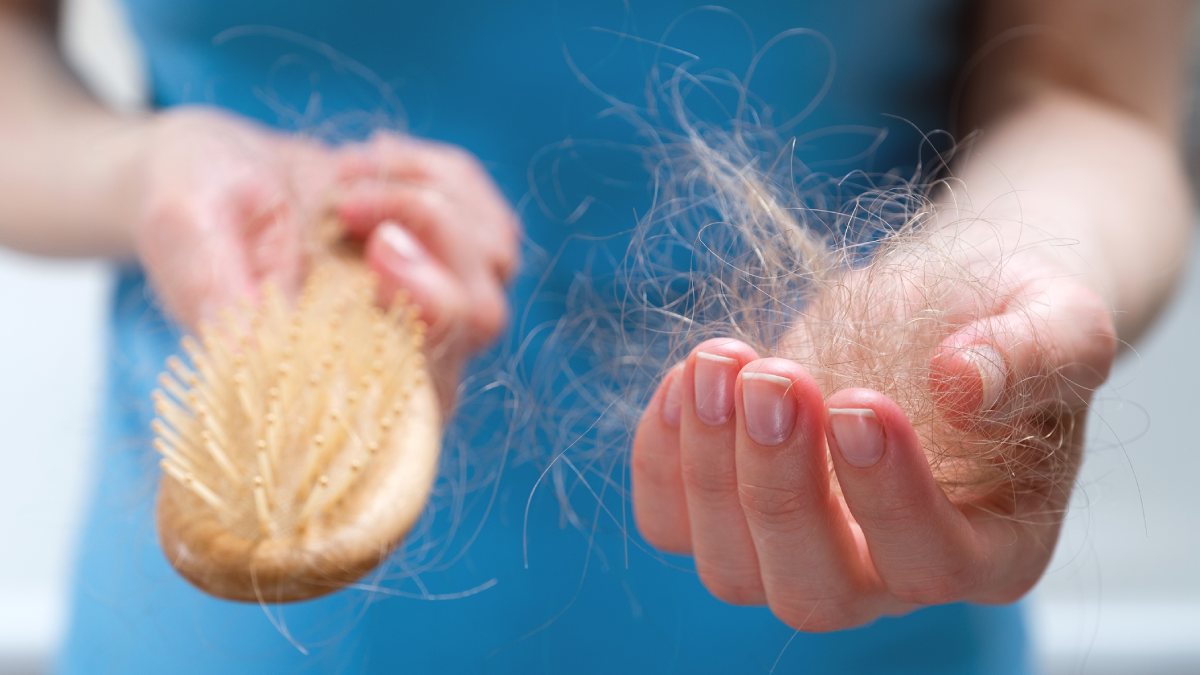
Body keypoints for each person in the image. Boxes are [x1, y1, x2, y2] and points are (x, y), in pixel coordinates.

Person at [0, 0, 1192, 673]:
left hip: (855, 605)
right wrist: (144, 172)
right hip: (223, 638)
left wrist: (1026, 277)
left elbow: (1090, 98)